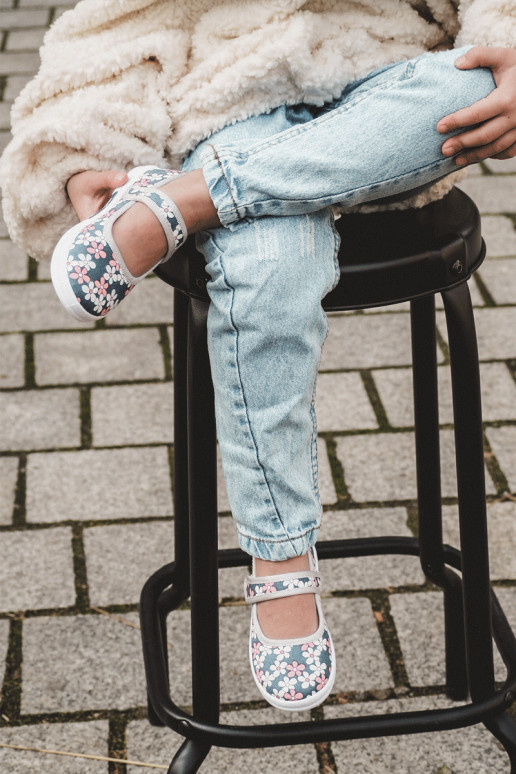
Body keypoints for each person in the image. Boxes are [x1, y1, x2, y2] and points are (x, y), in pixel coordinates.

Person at [2, 0, 516, 712]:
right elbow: (112, 23)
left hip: (391, 87)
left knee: (470, 88)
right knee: (270, 270)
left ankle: (183, 204)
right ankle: (280, 554)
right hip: (234, 98)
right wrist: (81, 155)